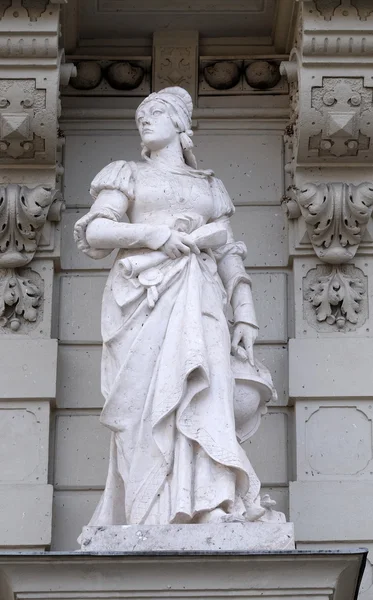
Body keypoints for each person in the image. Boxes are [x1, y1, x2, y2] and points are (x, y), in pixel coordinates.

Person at [74, 86, 280, 528]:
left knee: (204, 390)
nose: (143, 120)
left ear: (180, 123)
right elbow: (96, 233)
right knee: (145, 406)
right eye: (140, 116)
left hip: (201, 295)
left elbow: (229, 254)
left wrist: (245, 313)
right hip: (142, 300)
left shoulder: (209, 186)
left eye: (154, 113)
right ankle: (151, 512)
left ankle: (210, 503)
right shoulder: (126, 173)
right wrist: (154, 235)